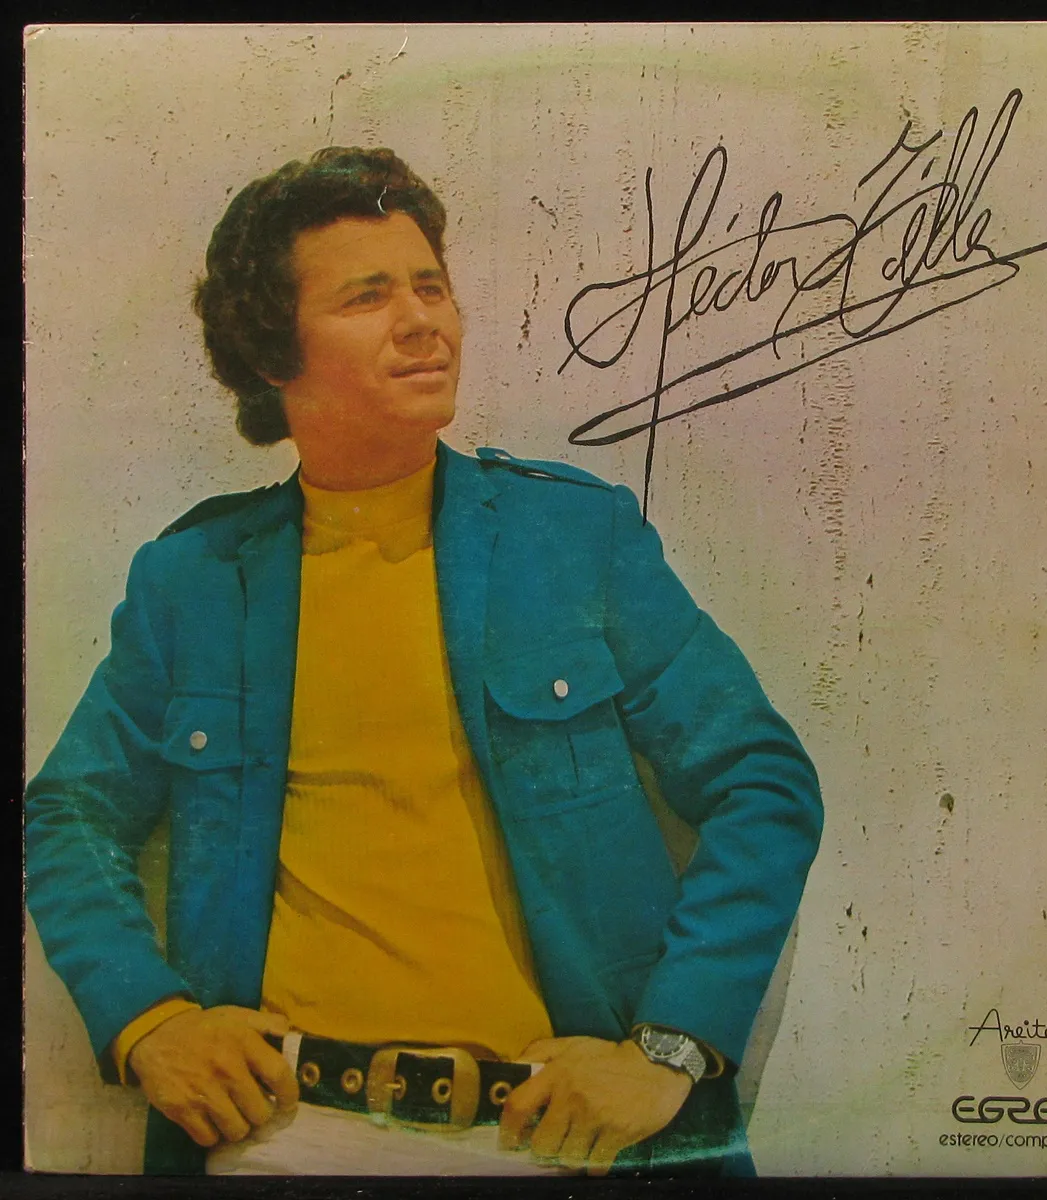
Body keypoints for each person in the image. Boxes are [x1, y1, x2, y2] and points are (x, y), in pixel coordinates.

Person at [24, 146, 822, 1178]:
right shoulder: (194, 582)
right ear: (272, 353)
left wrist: (670, 1048)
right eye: (368, 297)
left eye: (431, 287)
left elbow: (762, 780)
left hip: (559, 1140)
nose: (423, 322)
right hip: (281, 1136)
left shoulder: (572, 540)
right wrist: (149, 1022)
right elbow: (69, 812)